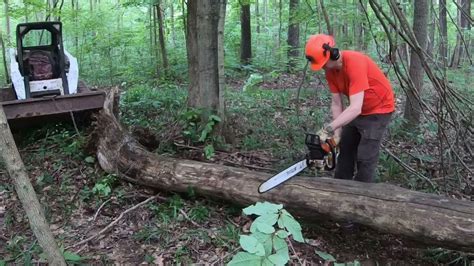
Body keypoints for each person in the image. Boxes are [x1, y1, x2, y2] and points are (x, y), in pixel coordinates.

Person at [305, 34, 395, 183]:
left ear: (332, 54)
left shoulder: (355, 62)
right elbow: (336, 103)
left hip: (379, 109)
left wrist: (327, 129)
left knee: (365, 155)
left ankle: (361, 193)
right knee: (345, 146)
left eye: (323, 64)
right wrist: (337, 133)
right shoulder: (330, 71)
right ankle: (341, 186)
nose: (323, 68)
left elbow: (355, 108)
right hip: (358, 107)